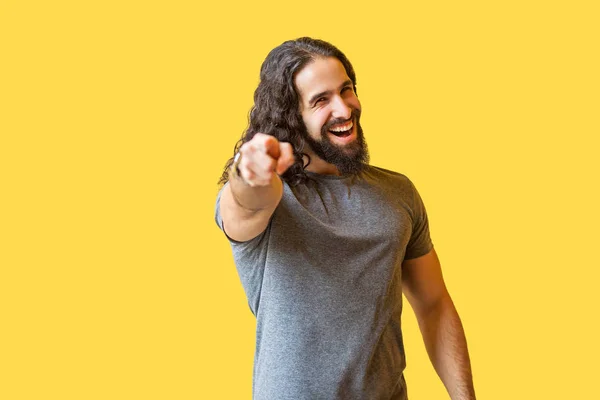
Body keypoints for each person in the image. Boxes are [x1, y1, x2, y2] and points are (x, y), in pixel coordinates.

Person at [215, 37, 476, 400]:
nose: (343, 108)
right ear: (294, 116)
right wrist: (249, 171)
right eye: (321, 100)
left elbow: (434, 305)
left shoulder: (398, 193)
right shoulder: (277, 197)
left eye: (346, 90)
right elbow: (244, 202)